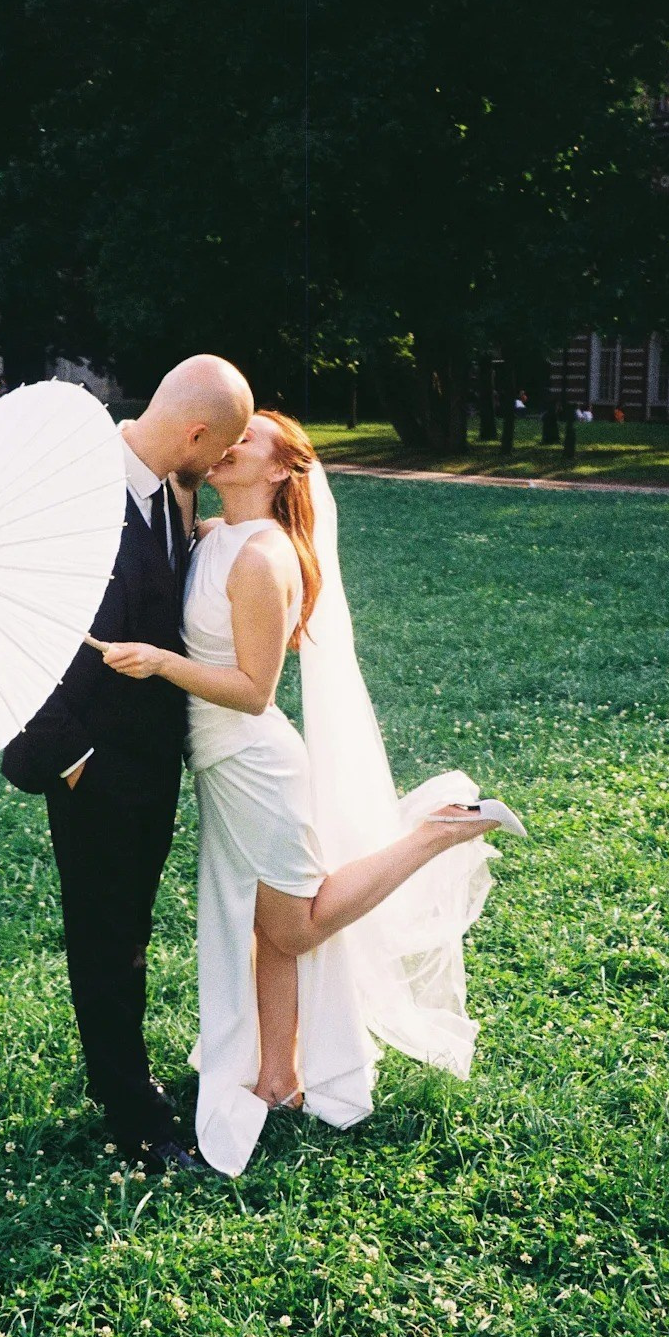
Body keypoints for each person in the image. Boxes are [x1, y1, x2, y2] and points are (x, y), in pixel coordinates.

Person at [101, 411, 526, 1177]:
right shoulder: (213, 535)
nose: (228, 442)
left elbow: (254, 691)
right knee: (265, 926)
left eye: (246, 438)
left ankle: (437, 831)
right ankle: (278, 1079)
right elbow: (171, 492)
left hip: (252, 762)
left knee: (293, 928)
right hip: (220, 765)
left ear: (278, 470)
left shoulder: (264, 556)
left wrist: (160, 663)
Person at [0, 355, 254, 1173]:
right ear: (195, 432)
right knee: (106, 936)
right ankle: (132, 1112)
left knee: (130, 928)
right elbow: (8, 630)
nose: (222, 464)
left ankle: (120, 1072)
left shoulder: (174, 489)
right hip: (91, 762)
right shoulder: (69, 495)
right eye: (221, 448)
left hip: (155, 759)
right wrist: (73, 760)